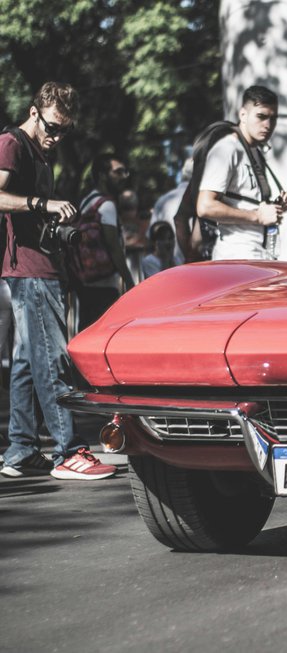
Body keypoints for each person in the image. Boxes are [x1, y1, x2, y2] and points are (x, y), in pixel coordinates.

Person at [0, 81, 116, 480]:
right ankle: (68, 451)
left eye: (64, 130)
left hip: (36, 268)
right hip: (31, 271)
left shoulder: (37, 151)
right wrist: (41, 204)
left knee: (25, 364)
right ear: (35, 113)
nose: (56, 137)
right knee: (52, 359)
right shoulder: (13, 143)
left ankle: (20, 449)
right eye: (52, 127)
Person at [196, 85, 287, 260]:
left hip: (260, 256)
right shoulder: (227, 149)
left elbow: (244, 200)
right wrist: (257, 216)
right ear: (243, 115)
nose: (268, 125)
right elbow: (205, 207)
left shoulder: (255, 150)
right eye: (261, 117)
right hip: (236, 257)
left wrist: (275, 208)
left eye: (273, 118)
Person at [76, 153, 136, 330]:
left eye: (125, 171)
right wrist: (129, 282)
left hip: (85, 280)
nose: (124, 176)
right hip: (104, 284)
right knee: (103, 333)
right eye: (118, 172)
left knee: (87, 329)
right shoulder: (106, 205)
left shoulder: (87, 201)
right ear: (102, 175)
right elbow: (113, 246)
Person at [149, 156, 192, 266]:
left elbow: (151, 237)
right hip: (196, 264)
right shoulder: (202, 199)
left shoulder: (162, 200)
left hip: (168, 268)